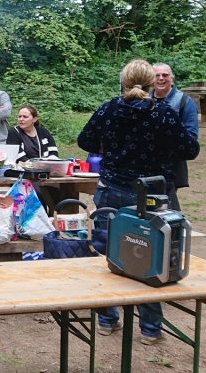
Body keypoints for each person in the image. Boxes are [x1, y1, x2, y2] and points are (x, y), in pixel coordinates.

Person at [77, 59, 199, 346]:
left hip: (111, 190)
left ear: (123, 82)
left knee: (108, 255)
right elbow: (190, 149)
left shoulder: (109, 109)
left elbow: (85, 141)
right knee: (150, 255)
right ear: (151, 83)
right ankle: (150, 329)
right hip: (150, 195)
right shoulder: (164, 114)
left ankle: (107, 319)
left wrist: (110, 144)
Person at [151, 63, 199, 211]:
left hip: (171, 165)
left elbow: (191, 136)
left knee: (164, 207)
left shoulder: (185, 102)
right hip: (144, 164)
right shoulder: (144, 99)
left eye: (165, 75)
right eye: (157, 75)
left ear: (171, 78)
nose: (161, 78)